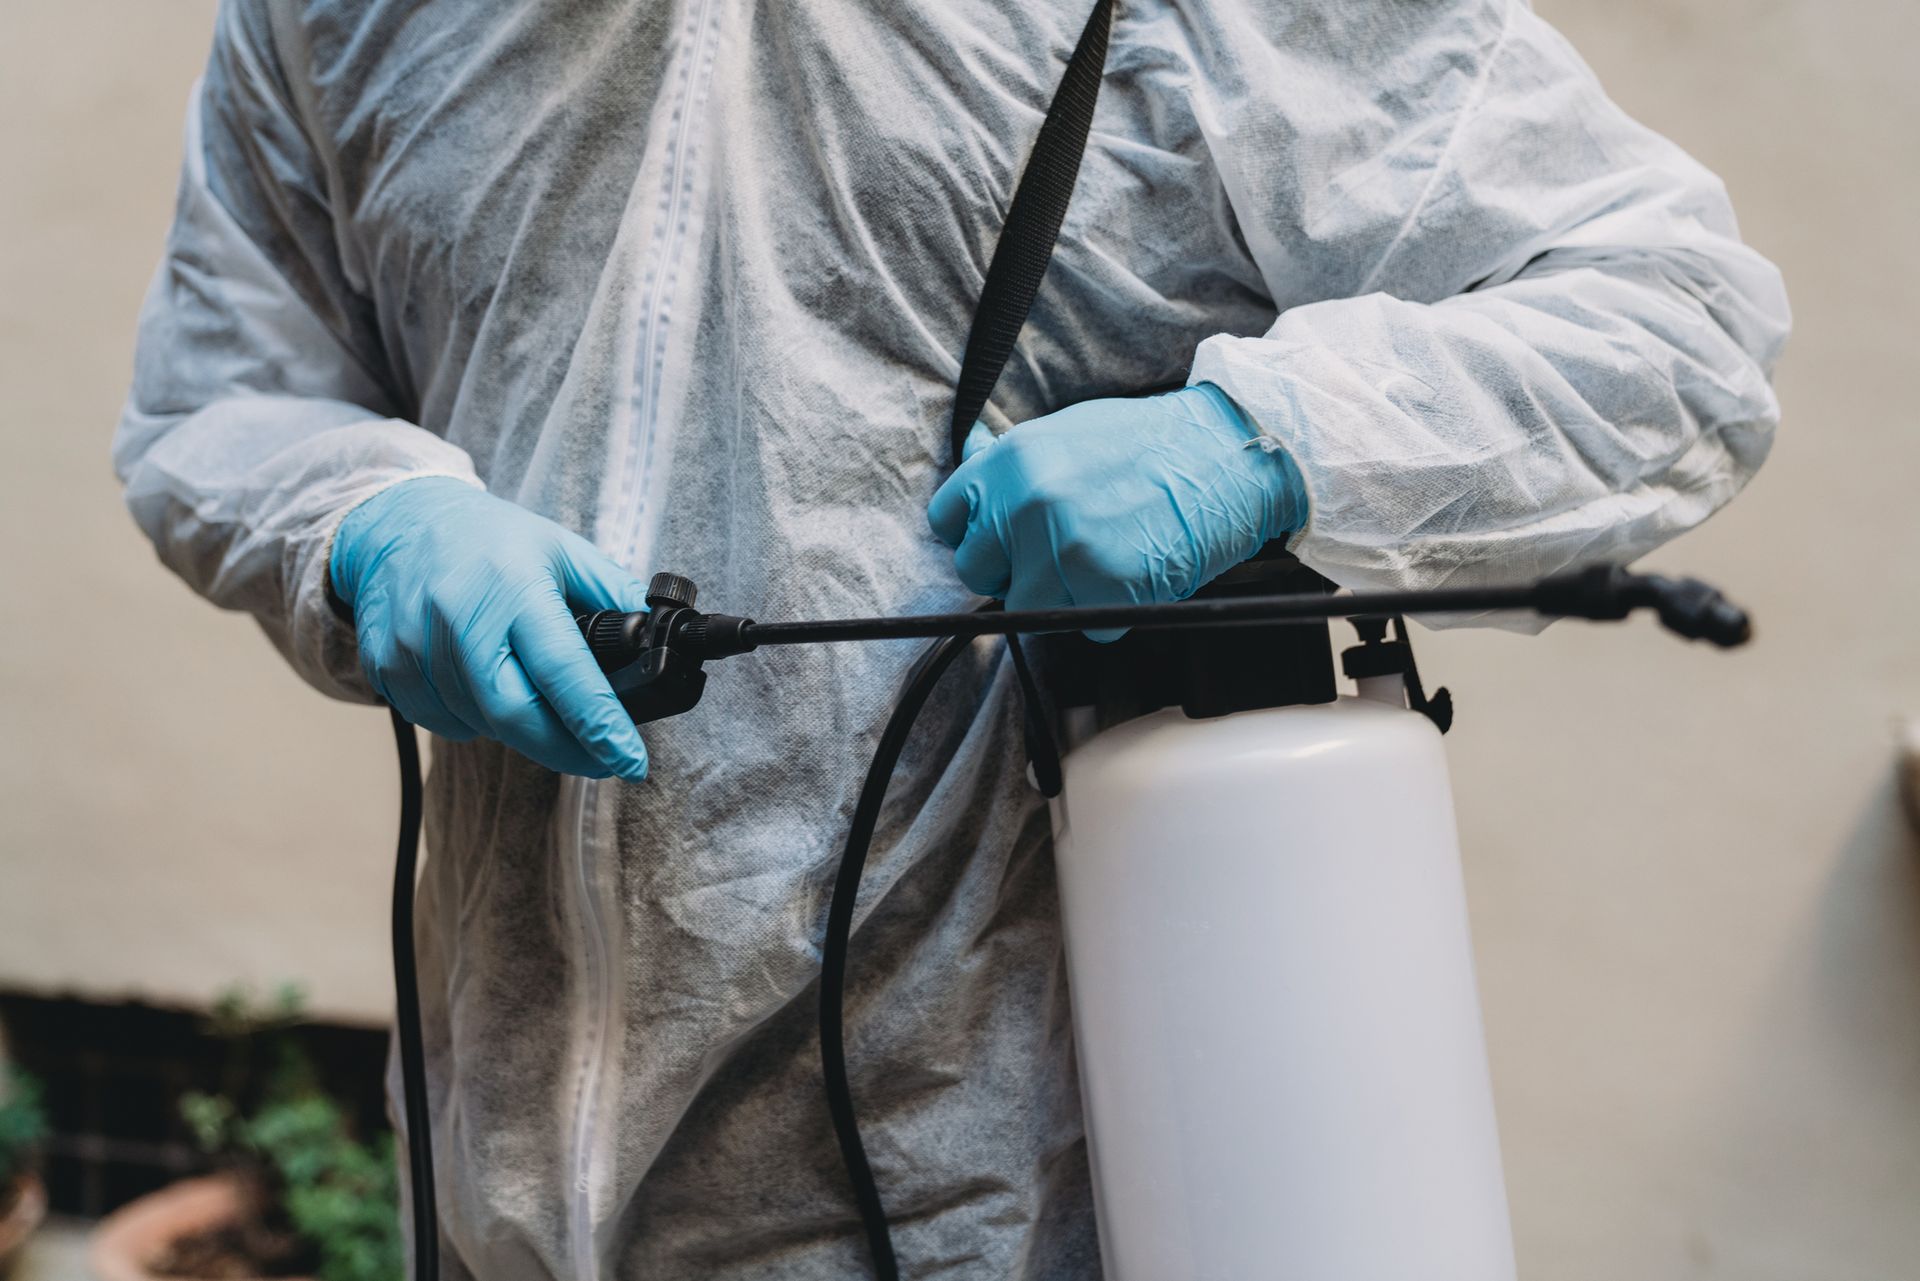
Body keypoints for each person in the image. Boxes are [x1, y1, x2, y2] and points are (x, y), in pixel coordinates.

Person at [115, 1, 1788, 1276]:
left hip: (968, 1202)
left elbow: (1672, 324)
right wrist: (371, 527)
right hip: (493, 1191)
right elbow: (225, 392)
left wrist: (1266, 437)